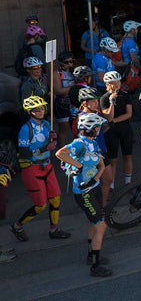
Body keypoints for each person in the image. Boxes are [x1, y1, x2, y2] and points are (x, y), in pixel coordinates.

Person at [55, 113, 112, 277]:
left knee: (92, 223)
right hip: (83, 193)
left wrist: (95, 178)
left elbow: (100, 164)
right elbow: (60, 153)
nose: (99, 129)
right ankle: (95, 266)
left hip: (93, 187)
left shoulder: (93, 143)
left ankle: (90, 255)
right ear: (91, 128)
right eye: (97, 127)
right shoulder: (79, 143)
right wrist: (78, 165)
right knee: (101, 226)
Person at [10, 96, 70, 243]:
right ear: (30, 112)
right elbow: (23, 153)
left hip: (47, 165)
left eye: (42, 108)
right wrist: (44, 147)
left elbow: (51, 144)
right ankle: (17, 226)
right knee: (41, 204)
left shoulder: (46, 124)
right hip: (31, 168)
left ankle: (54, 230)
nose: (41, 111)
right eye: (37, 109)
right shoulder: (25, 130)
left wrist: (54, 139)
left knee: (55, 199)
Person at [73, 87, 111, 205]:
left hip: (101, 151)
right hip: (91, 154)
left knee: (108, 179)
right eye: (93, 101)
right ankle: (99, 208)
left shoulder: (96, 113)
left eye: (97, 101)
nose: (97, 104)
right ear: (85, 103)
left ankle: (103, 206)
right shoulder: (81, 118)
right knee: (95, 183)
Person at [100, 71, 134, 187]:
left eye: (118, 82)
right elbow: (108, 116)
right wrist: (112, 102)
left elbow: (129, 114)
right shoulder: (104, 98)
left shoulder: (125, 95)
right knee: (112, 159)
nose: (117, 85)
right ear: (108, 84)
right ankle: (111, 184)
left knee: (127, 155)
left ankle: (128, 181)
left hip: (124, 128)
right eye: (114, 83)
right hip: (111, 132)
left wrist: (114, 121)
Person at [53, 52, 76, 147]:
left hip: (72, 103)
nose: (70, 64)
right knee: (63, 129)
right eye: (67, 62)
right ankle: (61, 152)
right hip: (61, 104)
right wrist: (74, 87)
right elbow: (57, 90)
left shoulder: (74, 72)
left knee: (75, 127)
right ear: (61, 63)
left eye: (71, 61)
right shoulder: (57, 73)